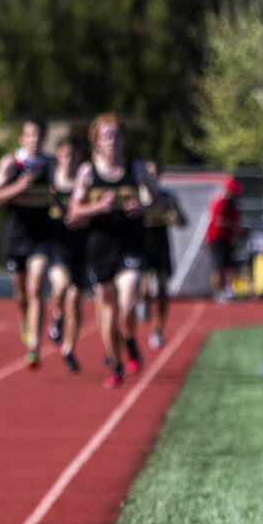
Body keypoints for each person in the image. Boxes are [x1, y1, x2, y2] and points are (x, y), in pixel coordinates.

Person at [68, 113, 158, 388]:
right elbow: (73, 213)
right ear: (96, 141)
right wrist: (97, 207)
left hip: (131, 244)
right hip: (100, 247)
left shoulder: (137, 168)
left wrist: (142, 208)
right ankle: (116, 362)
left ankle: (129, 337)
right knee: (107, 310)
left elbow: (158, 200)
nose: (112, 142)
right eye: (106, 136)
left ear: (123, 140)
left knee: (127, 302)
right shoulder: (87, 172)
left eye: (116, 136)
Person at [0, 119, 53, 367]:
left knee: (36, 288)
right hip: (15, 239)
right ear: (22, 138)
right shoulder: (11, 164)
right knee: (22, 293)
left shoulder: (50, 165)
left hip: (41, 240)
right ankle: (24, 317)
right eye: (30, 134)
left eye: (39, 135)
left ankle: (34, 346)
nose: (34, 139)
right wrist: (18, 187)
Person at [45, 134, 88, 373]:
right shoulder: (51, 181)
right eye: (63, 155)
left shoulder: (85, 181)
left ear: (78, 157)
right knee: (61, 287)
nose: (67, 160)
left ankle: (68, 349)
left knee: (76, 302)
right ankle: (57, 315)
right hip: (58, 245)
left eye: (71, 156)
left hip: (81, 246)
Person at [140, 160, 188, 348]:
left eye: (154, 174)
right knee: (140, 286)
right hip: (141, 246)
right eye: (148, 174)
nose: (152, 178)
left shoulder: (167, 198)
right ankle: (142, 301)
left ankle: (157, 330)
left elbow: (183, 221)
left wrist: (175, 218)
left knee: (162, 290)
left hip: (161, 247)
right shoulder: (137, 198)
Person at [205, 177, 247, 302]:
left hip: (228, 239)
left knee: (231, 266)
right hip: (217, 238)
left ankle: (229, 290)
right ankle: (218, 293)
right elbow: (219, 221)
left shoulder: (234, 207)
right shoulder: (220, 203)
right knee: (219, 266)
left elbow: (236, 222)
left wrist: (241, 230)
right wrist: (236, 227)